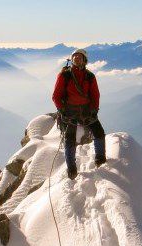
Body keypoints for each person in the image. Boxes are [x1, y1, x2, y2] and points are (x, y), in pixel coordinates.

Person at [52, 49, 106, 180]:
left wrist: (94, 110)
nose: (77, 58)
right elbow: (56, 96)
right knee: (69, 139)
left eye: (79, 57)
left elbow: (95, 95)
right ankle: (71, 168)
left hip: (86, 111)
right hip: (70, 112)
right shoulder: (64, 75)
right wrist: (62, 110)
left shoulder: (90, 76)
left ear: (84, 60)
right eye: (75, 56)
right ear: (72, 60)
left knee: (99, 132)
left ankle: (100, 159)